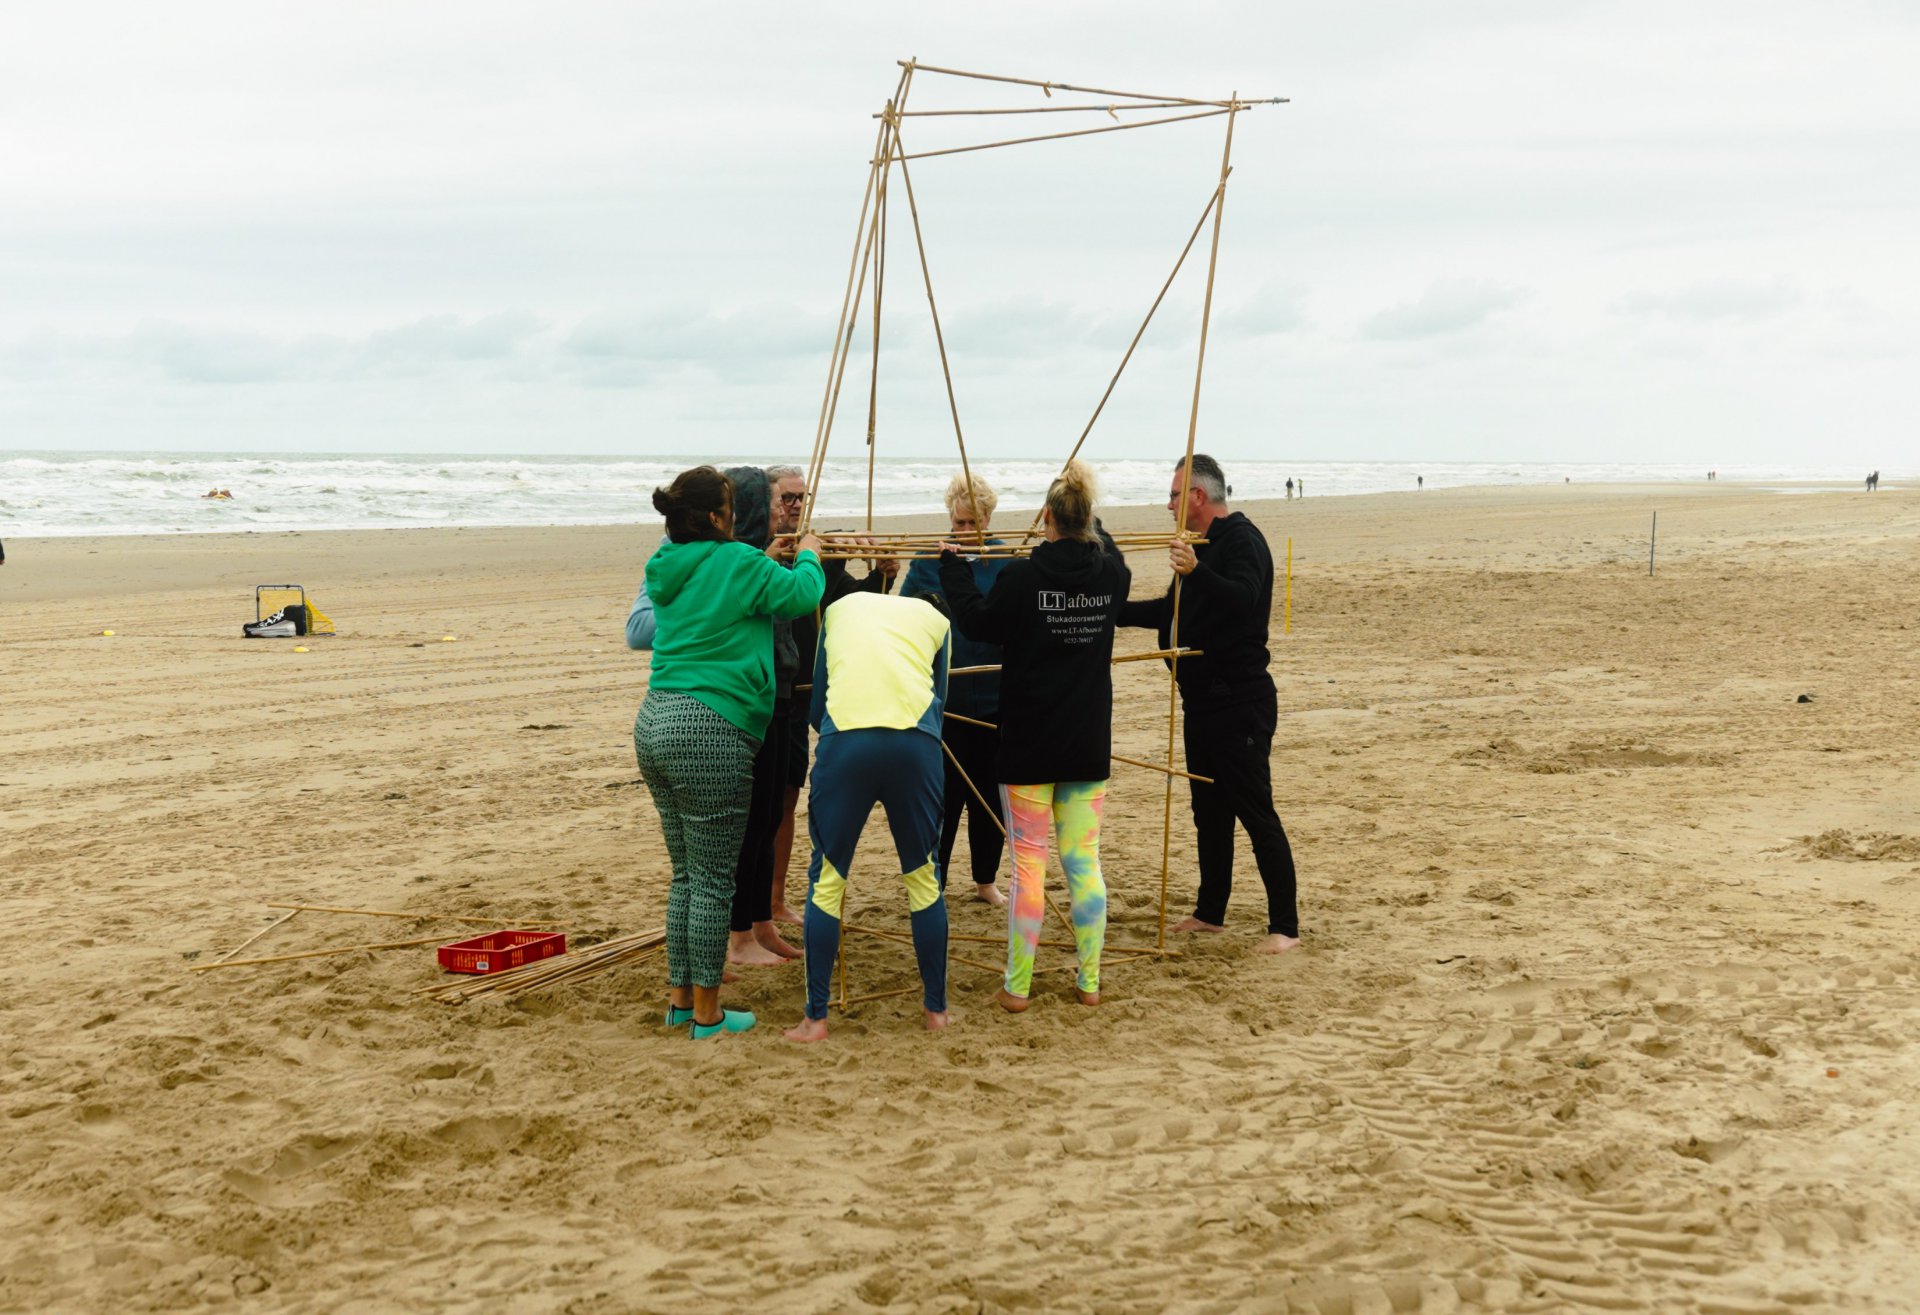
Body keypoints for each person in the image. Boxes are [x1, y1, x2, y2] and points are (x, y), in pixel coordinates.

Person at [631, 466, 824, 1039]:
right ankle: (709, 1014)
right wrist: (809, 553)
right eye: (729, 507)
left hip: (656, 720)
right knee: (715, 880)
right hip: (710, 727)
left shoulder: (666, 565)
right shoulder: (738, 562)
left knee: (686, 876)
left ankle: (680, 1001)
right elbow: (803, 595)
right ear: (717, 517)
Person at [938, 461, 1125, 1010]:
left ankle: (1018, 988)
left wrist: (953, 572)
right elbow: (1108, 550)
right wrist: (1092, 519)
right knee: (1083, 863)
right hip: (1085, 743)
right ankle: (1088, 983)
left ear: (1045, 517)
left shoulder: (1022, 577)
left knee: (1029, 867)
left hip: (1029, 745)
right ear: (1088, 517)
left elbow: (976, 621)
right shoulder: (1110, 575)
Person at [1120, 454, 1300, 955]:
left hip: (1238, 701)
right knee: (1209, 813)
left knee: (1255, 811)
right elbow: (1173, 610)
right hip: (1201, 703)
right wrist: (1113, 611)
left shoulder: (1241, 539)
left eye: (1176, 495)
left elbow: (1242, 599)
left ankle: (1285, 927)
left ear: (1199, 497)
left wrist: (1197, 570)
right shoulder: (1198, 546)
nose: (1169, 503)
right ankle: (1210, 912)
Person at [784, 591, 953, 1043]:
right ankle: (935, 1011)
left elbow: (818, 701)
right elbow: (940, 701)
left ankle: (815, 1019)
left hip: (847, 745)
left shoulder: (837, 610)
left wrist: (846, 736)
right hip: (915, 746)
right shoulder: (937, 620)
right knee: (922, 877)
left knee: (828, 879)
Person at [765, 464, 898, 927]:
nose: (796, 506)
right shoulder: (753, 555)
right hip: (764, 694)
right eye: (787, 498)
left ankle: (776, 901)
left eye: (802, 498)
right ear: (769, 502)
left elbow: (854, 602)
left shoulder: (821, 555)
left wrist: (883, 575)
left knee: (787, 799)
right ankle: (753, 908)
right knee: (756, 805)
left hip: (802, 696)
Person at [899, 473, 1012, 907]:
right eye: (958, 523)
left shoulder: (1008, 558)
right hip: (945, 697)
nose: (964, 532)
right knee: (942, 797)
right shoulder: (929, 559)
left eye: (972, 524)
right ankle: (936, 883)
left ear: (988, 519)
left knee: (990, 797)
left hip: (998, 696)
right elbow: (906, 614)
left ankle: (985, 880)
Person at [718, 465, 807, 966]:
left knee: (771, 813)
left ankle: (761, 922)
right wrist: (794, 563)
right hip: (750, 700)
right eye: (775, 501)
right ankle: (739, 936)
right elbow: (800, 595)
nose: (783, 510)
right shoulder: (740, 562)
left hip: (780, 696)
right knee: (750, 822)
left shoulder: (763, 556)